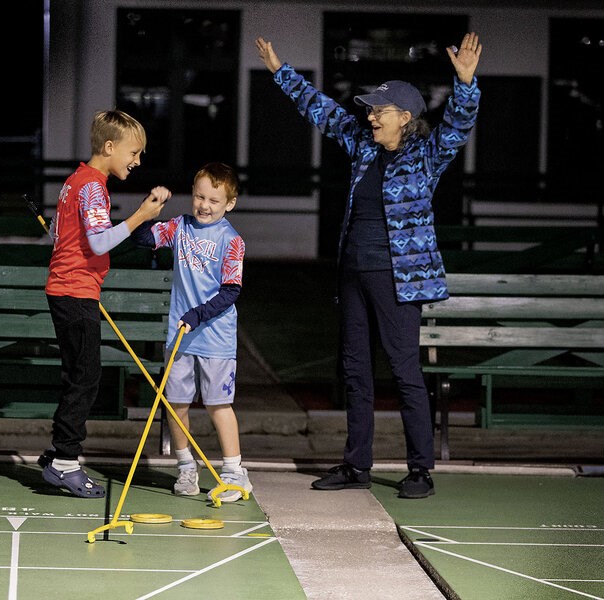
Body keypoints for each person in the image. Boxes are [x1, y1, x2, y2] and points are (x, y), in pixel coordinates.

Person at [255, 32, 482, 499]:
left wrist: (465, 83)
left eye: (379, 111)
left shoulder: (425, 156)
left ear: (405, 118)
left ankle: (420, 470)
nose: (370, 116)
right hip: (353, 274)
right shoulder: (362, 145)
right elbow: (322, 110)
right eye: (370, 110)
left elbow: (458, 125)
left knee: (404, 372)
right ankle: (356, 464)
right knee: (355, 371)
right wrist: (280, 71)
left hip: (399, 279)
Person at [38, 109, 171, 498]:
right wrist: (141, 216)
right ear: (109, 147)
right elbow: (98, 242)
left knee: (78, 375)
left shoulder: (77, 180)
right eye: (134, 152)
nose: (137, 161)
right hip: (74, 291)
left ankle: (59, 454)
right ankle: (64, 462)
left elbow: (67, 235)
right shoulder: (93, 186)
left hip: (71, 290)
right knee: (86, 377)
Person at [131, 162, 250, 503]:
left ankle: (234, 472)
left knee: (218, 405)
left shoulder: (232, 241)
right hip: (179, 337)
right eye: (199, 196)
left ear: (230, 203)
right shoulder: (180, 227)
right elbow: (142, 238)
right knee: (177, 404)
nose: (204, 205)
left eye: (214, 200)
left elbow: (231, 291)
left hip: (215, 338)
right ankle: (186, 468)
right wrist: (148, 208)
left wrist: (197, 315)